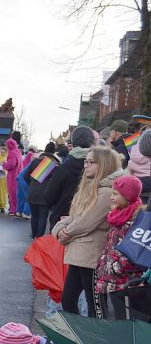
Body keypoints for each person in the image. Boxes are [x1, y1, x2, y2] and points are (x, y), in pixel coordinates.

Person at [52, 147, 122, 316]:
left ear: (104, 165)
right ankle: (80, 336)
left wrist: (65, 232)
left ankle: (95, 340)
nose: (86, 166)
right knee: (68, 300)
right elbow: (73, 216)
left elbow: (87, 222)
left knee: (95, 305)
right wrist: (59, 229)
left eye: (91, 162)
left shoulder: (107, 193)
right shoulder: (88, 188)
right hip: (79, 253)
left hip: (92, 256)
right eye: (86, 161)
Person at [94, 175, 146, 318]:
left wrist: (116, 267)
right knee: (114, 319)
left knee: (124, 321)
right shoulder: (117, 215)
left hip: (124, 282)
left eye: (115, 194)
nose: (111, 197)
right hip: (111, 278)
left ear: (127, 196)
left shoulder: (135, 221)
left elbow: (134, 253)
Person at [44, 126, 95, 232]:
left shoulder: (63, 167)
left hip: (61, 222)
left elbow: (49, 196)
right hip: (88, 224)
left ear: (73, 142)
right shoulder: (101, 167)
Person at [22, 142, 61, 238]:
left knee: (34, 216)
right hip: (45, 195)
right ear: (54, 151)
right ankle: (38, 238)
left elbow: (25, 176)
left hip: (33, 193)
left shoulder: (35, 161)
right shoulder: (54, 164)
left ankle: (34, 234)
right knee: (42, 217)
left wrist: (31, 184)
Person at [3, 138, 23, 216]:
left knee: (12, 193)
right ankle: (16, 209)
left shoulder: (11, 153)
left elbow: (11, 164)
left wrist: (4, 164)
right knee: (17, 193)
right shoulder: (18, 152)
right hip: (18, 174)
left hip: (12, 176)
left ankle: (13, 209)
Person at [16, 145, 36, 219]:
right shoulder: (41, 162)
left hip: (20, 176)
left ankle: (19, 211)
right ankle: (26, 213)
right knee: (28, 196)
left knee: (20, 196)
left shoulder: (32, 159)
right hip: (26, 179)